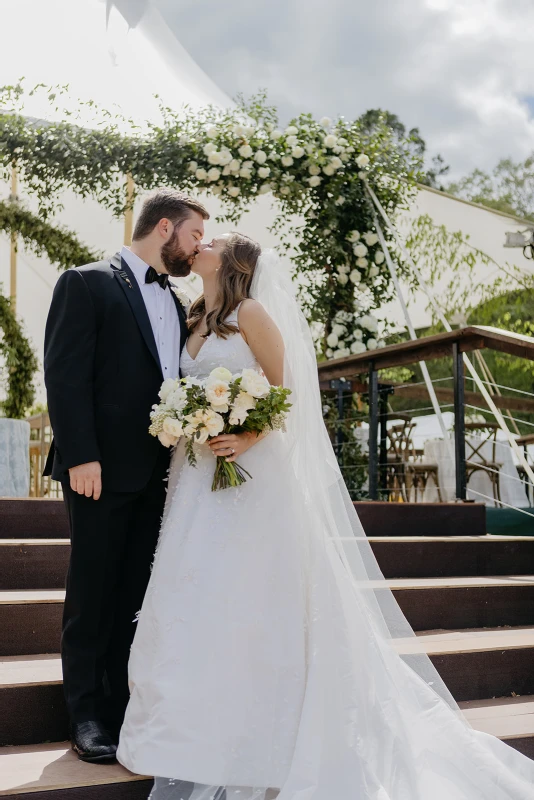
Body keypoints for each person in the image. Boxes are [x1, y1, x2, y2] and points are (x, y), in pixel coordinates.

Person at [117, 233, 534, 800]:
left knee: (246, 596)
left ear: (235, 261)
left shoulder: (251, 314)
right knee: (195, 595)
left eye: (212, 240)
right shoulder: (193, 317)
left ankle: (260, 729)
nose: (201, 244)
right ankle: (191, 727)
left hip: (249, 477)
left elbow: (287, 393)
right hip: (194, 482)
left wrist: (247, 433)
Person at [43, 188, 209, 763]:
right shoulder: (85, 282)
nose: (198, 247)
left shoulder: (184, 298)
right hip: (98, 470)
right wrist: (80, 454)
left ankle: (120, 711)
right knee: (92, 592)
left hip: (159, 474)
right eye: (194, 236)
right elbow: (65, 376)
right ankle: (86, 714)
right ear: (164, 228)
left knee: (134, 594)